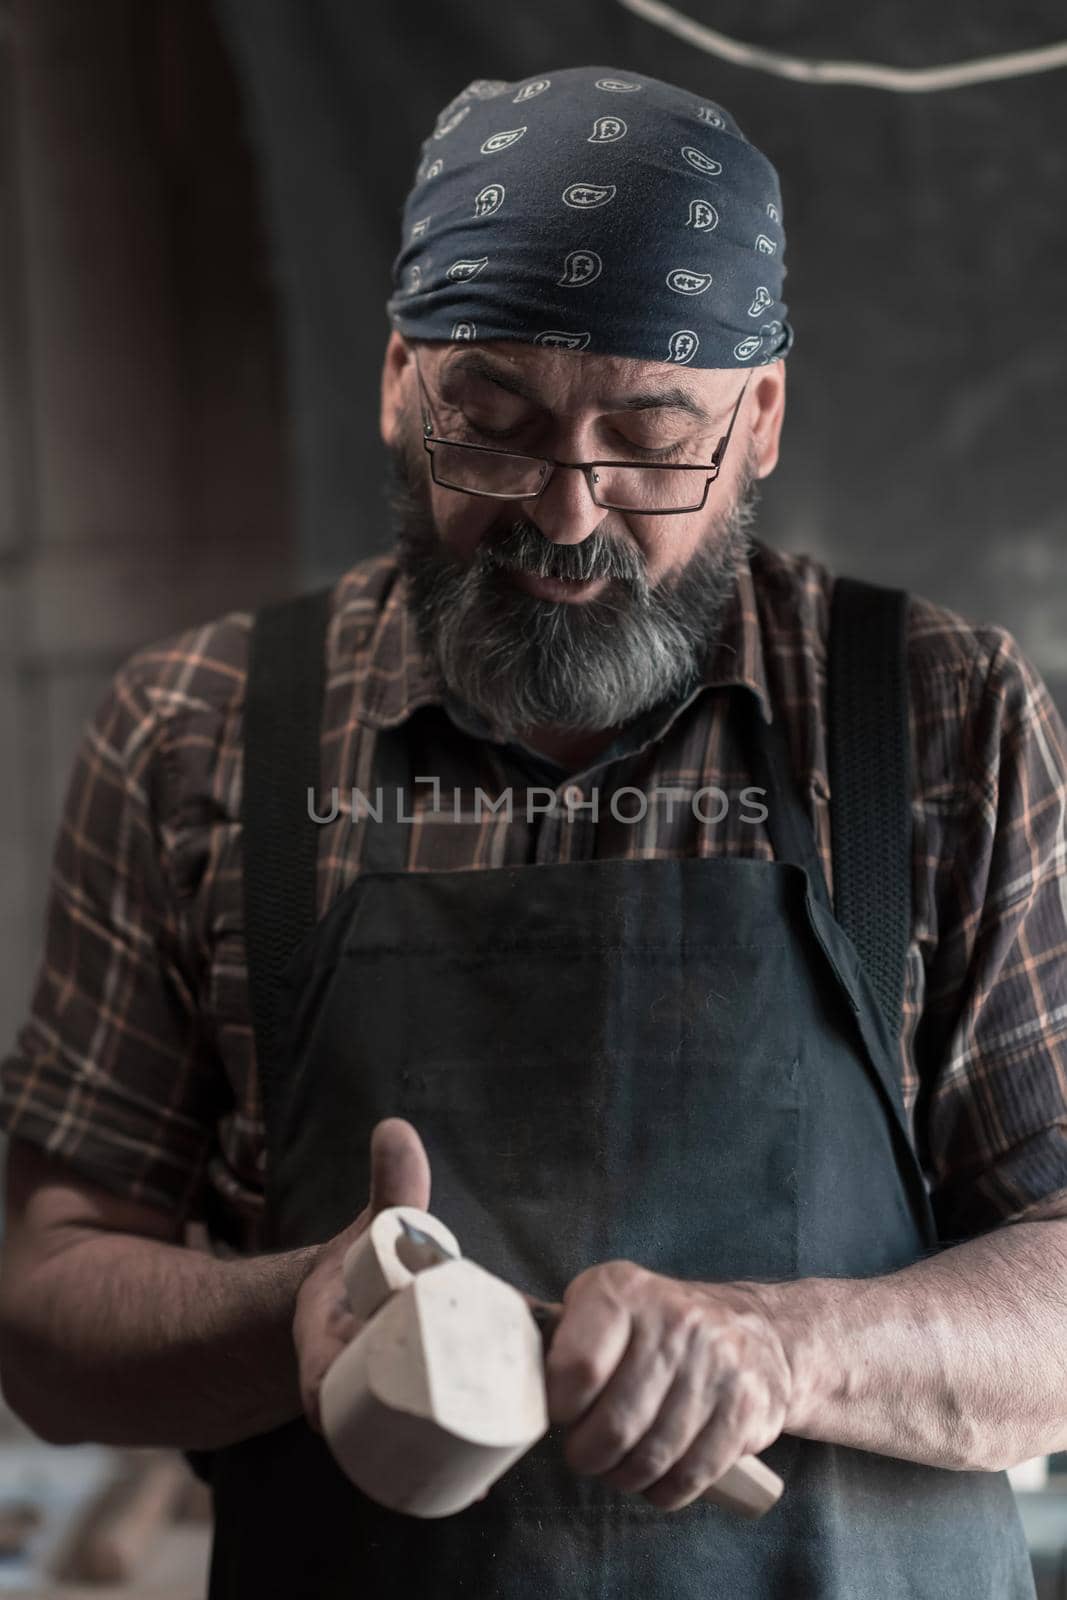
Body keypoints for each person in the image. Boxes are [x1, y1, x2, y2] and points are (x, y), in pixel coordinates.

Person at [0, 62, 1064, 1600]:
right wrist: (293, 1316)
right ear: (395, 382)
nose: (566, 516)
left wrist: (788, 1350)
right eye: (490, 426)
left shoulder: (946, 723)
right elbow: (42, 1314)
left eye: (650, 440)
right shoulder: (201, 732)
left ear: (761, 416)